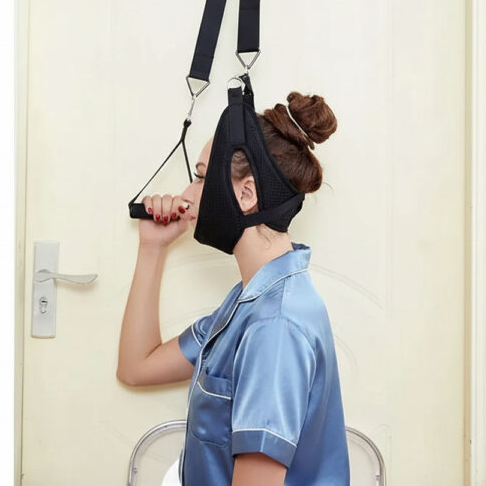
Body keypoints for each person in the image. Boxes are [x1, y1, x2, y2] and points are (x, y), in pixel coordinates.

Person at [117, 91, 350, 486]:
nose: (187, 194)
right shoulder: (249, 302)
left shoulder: (275, 325)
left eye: (201, 177)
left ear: (246, 194)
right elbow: (136, 367)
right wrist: (152, 247)